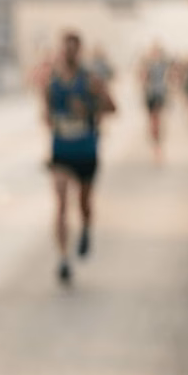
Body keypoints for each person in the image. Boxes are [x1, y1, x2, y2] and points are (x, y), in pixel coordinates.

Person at [44, 31, 117, 286]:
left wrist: (88, 110)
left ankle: (86, 229)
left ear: (80, 52)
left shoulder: (91, 81)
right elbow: (45, 114)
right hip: (61, 151)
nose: (69, 54)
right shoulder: (50, 82)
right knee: (61, 203)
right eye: (65, 49)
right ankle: (63, 258)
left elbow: (112, 108)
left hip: (86, 150)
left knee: (84, 203)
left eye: (73, 49)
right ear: (60, 51)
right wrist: (53, 121)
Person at [140, 44, 170, 163]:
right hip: (150, 95)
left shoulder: (162, 65)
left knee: (156, 121)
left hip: (158, 94)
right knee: (152, 121)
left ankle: (157, 147)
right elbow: (143, 78)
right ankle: (155, 145)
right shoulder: (148, 65)